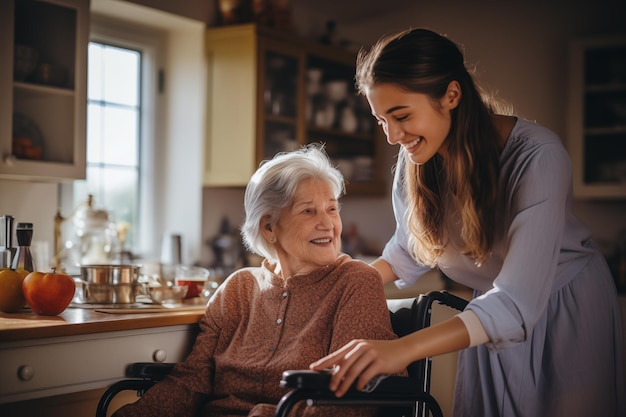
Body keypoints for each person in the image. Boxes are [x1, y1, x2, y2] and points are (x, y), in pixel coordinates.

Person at [310, 28, 626, 416]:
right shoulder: (417, 162)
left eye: (402, 115)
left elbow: (516, 301)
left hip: (563, 312)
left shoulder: (539, 157)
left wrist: (399, 351)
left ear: (452, 96)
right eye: (381, 121)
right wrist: (336, 290)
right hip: (487, 313)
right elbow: (410, 252)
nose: (393, 136)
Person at [112, 144, 397, 417]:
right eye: (309, 210)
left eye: (332, 209)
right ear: (269, 226)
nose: (328, 224)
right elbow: (192, 381)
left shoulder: (356, 282)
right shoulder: (238, 289)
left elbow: (353, 401)